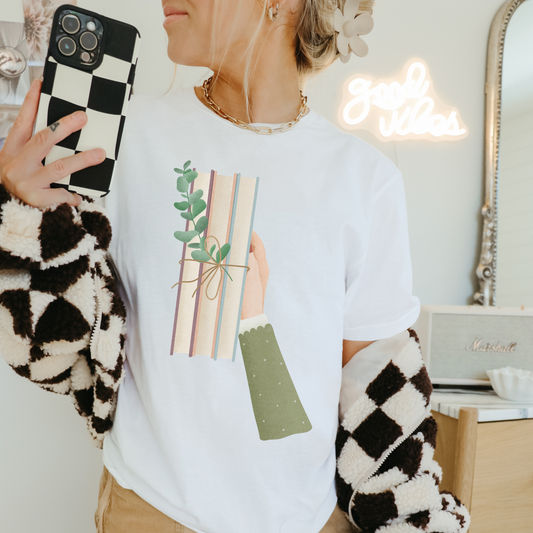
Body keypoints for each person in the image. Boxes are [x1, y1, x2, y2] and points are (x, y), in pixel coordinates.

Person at [0, 1, 471, 532]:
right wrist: (25, 226)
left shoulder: (366, 179)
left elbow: (377, 386)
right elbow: (54, 354)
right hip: (152, 509)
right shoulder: (122, 140)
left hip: (309, 518)